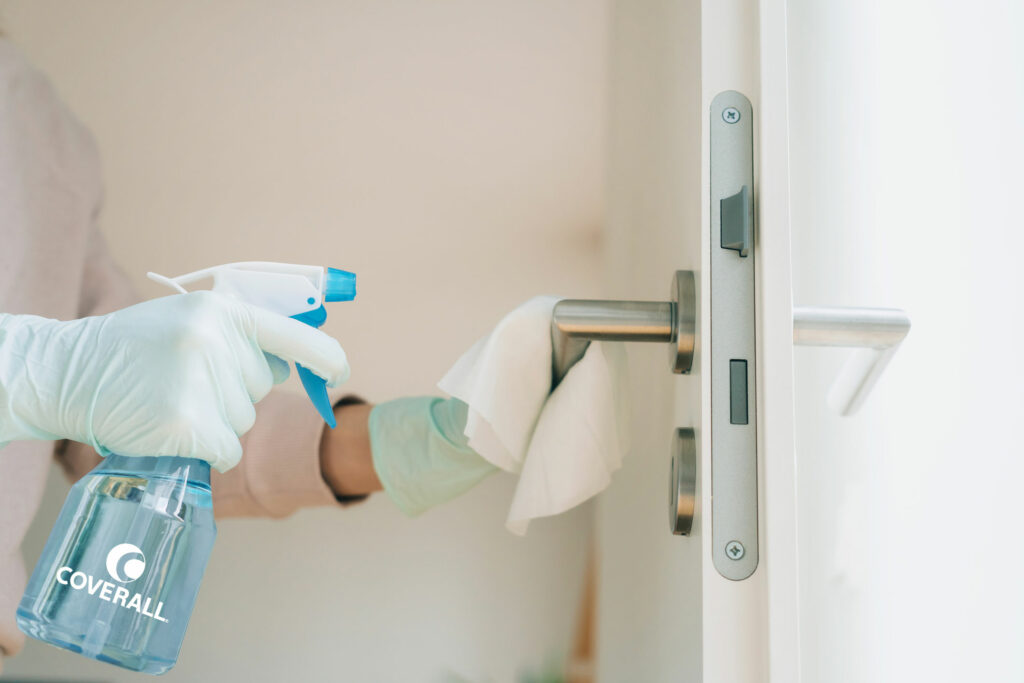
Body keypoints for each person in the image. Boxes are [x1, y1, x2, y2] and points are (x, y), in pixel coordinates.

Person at [0, 38, 497, 668]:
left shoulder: (46, 134)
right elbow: (72, 377)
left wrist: (384, 444)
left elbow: (142, 421)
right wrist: (25, 372)